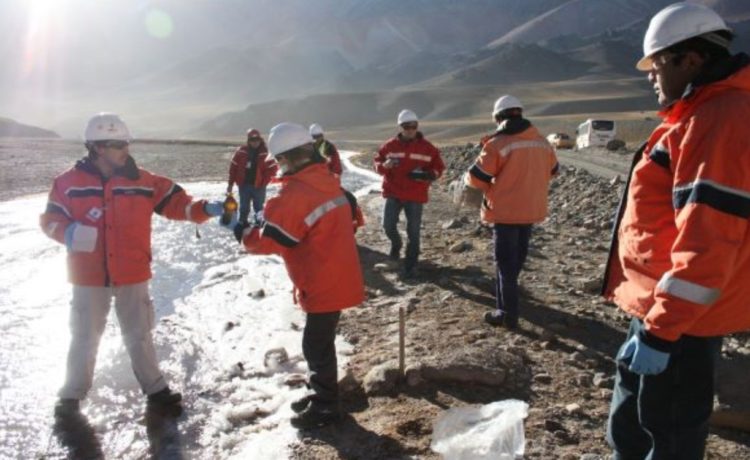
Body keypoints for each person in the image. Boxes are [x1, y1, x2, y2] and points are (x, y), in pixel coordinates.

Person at [601, 3, 750, 459]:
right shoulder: (695, 115)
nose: (650, 76)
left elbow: (709, 240)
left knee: (666, 437)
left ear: (692, 59)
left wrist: (662, 330)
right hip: (662, 308)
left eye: (658, 63)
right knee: (633, 427)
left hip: (679, 319)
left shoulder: (719, 118)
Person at [39, 113, 225, 420]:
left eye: (126, 142)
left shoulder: (144, 181)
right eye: (116, 145)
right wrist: (67, 233)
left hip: (132, 272)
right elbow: (50, 221)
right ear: (96, 147)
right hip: (88, 277)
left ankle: (156, 389)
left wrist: (206, 209)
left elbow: (179, 204)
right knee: (84, 335)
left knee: (139, 333)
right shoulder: (67, 184)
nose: (125, 149)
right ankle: (71, 395)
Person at [228, 122, 365, 429]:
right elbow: (354, 219)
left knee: (316, 346)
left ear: (285, 159)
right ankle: (319, 393)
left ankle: (327, 406)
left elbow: (271, 240)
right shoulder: (328, 181)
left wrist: (241, 231)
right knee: (320, 342)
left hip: (322, 281)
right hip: (338, 273)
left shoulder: (296, 194)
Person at [464, 95, 558, 330]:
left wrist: (494, 185)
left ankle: (507, 315)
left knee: (504, 266)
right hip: (531, 211)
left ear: (498, 118)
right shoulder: (542, 142)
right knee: (515, 263)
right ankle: (509, 305)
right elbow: (553, 171)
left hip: (505, 213)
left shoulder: (498, 143)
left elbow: (477, 178)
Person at [374, 109, 445, 278]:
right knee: (388, 226)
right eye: (406, 126)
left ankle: (411, 264)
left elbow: (439, 167)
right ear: (401, 127)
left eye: (413, 126)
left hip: (415, 195)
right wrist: (384, 166)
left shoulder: (428, 148)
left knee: (413, 232)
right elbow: (377, 162)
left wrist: (431, 174)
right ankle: (396, 247)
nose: (410, 129)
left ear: (417, 126)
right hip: (393, 192)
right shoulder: (389, 146)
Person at [226, 128, 277, 225]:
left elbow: (272, 169)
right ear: (248, 140)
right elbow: (233, 168)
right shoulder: (240, 152)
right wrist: (230, 184)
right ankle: (242, 224)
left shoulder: (266, 153)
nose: (255, 142)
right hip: (244, 185)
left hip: (259, 186)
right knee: (244, 207)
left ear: (260, 139)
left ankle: (260, 226)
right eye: (252, 140)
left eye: (257, 139)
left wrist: (264, 181)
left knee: (259, 208)